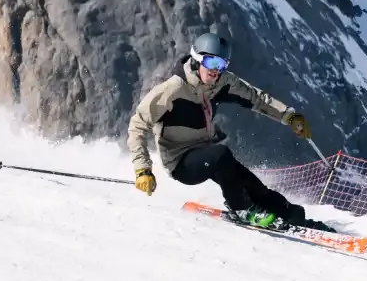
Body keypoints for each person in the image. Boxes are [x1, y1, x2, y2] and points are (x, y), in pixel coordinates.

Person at [125, 33, 332, 232]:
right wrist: (143, 170)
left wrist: (289, 116)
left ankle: (292, 216)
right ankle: (241, 209)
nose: (216, 71)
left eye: (222, 64)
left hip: (208, 154)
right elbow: (138, 125)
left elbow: (256, 98)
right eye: (212, 63)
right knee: (221, 155)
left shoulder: (221, 83)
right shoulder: (172, 90)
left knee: (252, 185)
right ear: (197, 60)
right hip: (181, 162)